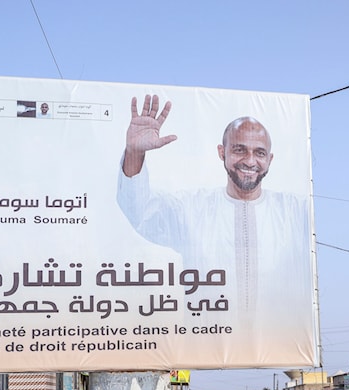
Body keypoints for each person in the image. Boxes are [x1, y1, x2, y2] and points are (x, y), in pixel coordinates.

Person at [116, 95, 313, 319]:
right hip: (208, 348)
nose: (250, 161)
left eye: (259, 153)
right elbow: (139, 212)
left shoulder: (296, 212)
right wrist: (135, 152)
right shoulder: (191, 209)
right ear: (222, 152)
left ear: (270, 159)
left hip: (279, 348)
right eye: (240, 150)